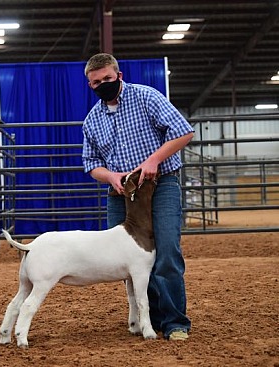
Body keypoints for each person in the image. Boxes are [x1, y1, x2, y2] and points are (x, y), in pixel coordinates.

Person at [81, 53, 194, 341]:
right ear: (90, 84)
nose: (102, 84)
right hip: (120, 193)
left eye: (107, 78)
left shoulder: (146, 97)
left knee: (167, 251)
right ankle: (147, 318)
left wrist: (153, 160)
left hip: (161, 185)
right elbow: (91, 163)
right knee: (127, 261)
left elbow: (183, 132)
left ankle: (174, 321)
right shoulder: (92, 120)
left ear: (118, 75)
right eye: (96, 82)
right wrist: (111, 176)